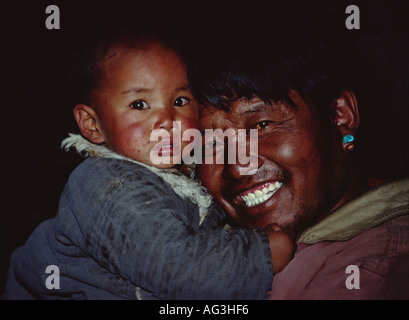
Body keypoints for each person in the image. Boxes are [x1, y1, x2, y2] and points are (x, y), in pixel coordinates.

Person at [3, 25, 294, 300]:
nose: (167, 120)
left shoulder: (188, 168)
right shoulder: (106, 185)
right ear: (92, 124)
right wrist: (264, 252)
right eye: (139, 105)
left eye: (180, 100)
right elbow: (181, 272)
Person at [188, 27, 409, 299]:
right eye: (211, 145)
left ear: (342, 116)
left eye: (262, 125)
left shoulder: (373, 273)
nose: (235, 166)